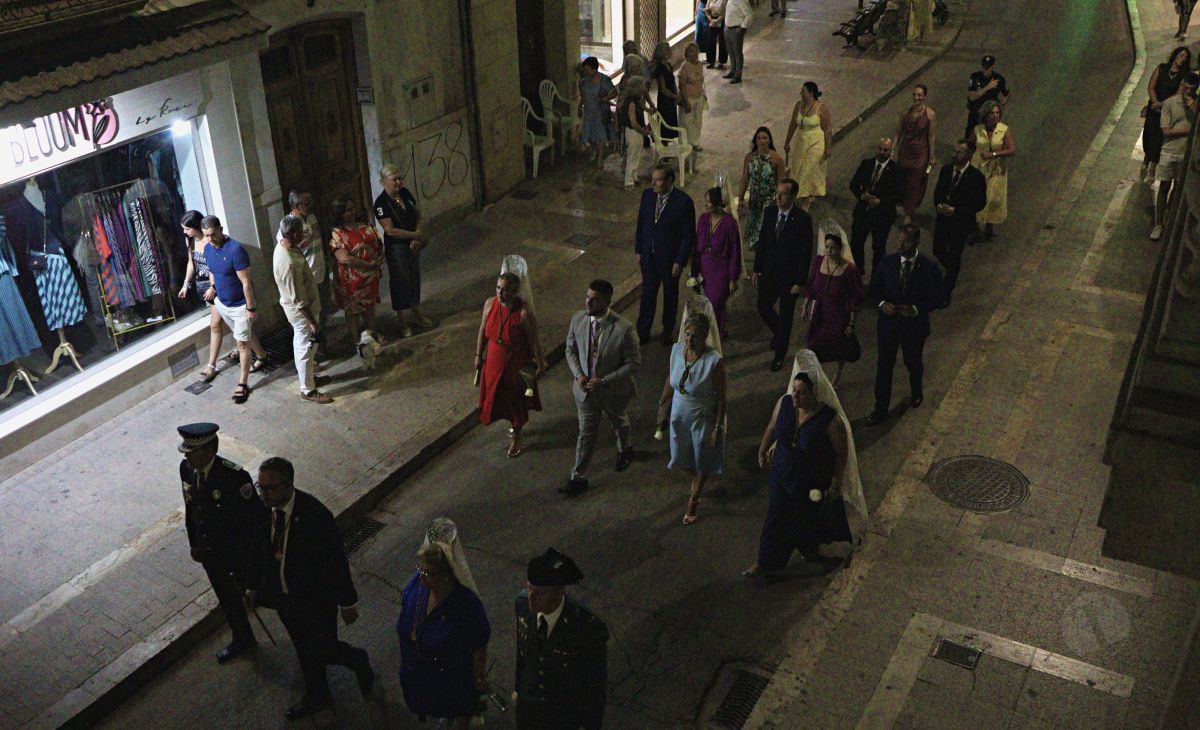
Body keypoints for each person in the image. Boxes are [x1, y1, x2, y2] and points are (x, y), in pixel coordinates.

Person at [246, 456, 375, 720]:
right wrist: (254, 587)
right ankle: (318, 696)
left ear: (288, 484)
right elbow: (258, 550)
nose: (264, 493)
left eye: (270, 488)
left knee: (324, 648)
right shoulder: (263, 510)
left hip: (315, 600)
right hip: (284, 599)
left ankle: (357, 660)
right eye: (261, 487)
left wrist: (347, 602)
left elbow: (336, 562)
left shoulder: (315, 515)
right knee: (304, 649)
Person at [744, 351, 867, 578]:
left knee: (805, 518)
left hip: (809, 481)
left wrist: (836, 481)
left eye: (801, 394)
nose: (795, 398)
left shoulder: (830, 421)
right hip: (782, 475)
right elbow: (772, 427)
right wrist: (762, 451)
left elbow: (841, 454)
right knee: (777, 516)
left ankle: (809, 551)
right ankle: (765, 563)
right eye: (794, 392)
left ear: (814, 393)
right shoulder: (784, 404)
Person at [176, 422, 265, 663]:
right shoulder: (186, 470)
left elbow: (254, 521)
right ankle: (243, 637)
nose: (187, 458)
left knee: (262, 593)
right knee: (227, 599)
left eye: (191, 453)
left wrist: (248, 556)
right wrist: (194, 542)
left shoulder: (234, 477)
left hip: (237, 555)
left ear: (208, 450)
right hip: (211, 554)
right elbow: (191, 508)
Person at [397, 519, 491, 729]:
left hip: (452, 678)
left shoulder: (466, 604)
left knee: (458, 711)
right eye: (420, 569)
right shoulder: (417, 586)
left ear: (446, 576)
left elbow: (479, 643)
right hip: (422, 675)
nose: (421, 577)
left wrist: (478, 678)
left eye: (428, 573)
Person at [514, 548, 609, 729]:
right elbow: (523, 653)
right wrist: (518, 689)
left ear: (559, 592)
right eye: (529, 588)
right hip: (528, 713)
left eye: (539, 593)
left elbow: (595, 688)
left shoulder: (587, 628)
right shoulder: (522, 605)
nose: (531, 599)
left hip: (563, 717)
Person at [563, 279, 641, 495]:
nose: (588, 303)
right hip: (586, 392)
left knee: (619, 420)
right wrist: (578, 375)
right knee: (586, 433)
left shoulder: (623, 329)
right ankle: (578, 477)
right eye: (588, 297)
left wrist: (605, 380)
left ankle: (625, 449)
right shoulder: (578, 320)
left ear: (607, 301)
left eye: (594, 300)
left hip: (613, 390)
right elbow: (570, 350)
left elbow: (634, 363)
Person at [866, 224, 944, 425]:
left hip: (913, 327)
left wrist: (916, 309)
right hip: (889, 325)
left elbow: (938, 297)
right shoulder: (887, 262)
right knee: (884, 366)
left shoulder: (929, 267)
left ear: (917, 242)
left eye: (906, 241)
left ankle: (916, 391)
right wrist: (882, 305)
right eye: (899, 240)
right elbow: (875, 289)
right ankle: (880, 408)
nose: (900, 245)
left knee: (913, 361)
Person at [660, 314, 727, 525]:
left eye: (695, 336)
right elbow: (670, 380)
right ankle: (697, 479)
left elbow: (722, 397)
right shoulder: (677, 352)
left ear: (705, 337)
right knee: (679, 456)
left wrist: (717, 427)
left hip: (702, 416)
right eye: (687, 334)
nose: (690, 340)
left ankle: (694, 500)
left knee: (703, 458)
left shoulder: (713, 362)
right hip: (679, 414)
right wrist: (662, 404)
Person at [476, 270, 546, 457]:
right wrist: (478, 355)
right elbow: (483, 330)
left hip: (514, 362)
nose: (500, 293)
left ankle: (516, 432)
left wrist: (539, 362)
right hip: (493, 359)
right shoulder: (489, 304)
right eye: (498, 288)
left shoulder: (522, 313)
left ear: (514, 292)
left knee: (515, 398)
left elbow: (534, 339)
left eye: (505, 290)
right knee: (494, 395)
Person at [201, 216, 269, 404]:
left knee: (242, 345)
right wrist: (213, 289)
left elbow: (245, 282)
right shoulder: (208, 249)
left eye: (213, 234)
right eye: (206, 236)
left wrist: (251, 307)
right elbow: (213, 272)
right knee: (243, 335)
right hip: (222, 303)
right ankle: (263, 356)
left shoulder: (235, 250)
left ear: (221, 229)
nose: (210, 239)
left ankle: (243, 383)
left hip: (239, 305)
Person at [752, 179, 814, 371]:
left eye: (783, 194)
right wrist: (757, 268)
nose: (778, 197)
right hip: (769, 271)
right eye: (777, 193)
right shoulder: (770, 212)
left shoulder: (803, 219)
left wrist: (800, 281)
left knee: (786, 316)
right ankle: (780, 334)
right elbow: (763, 241)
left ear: (793, 196)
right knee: (763, 305)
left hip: (789, 278)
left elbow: (806, 252)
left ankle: (779, 354)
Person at [635, 164, 697, 344]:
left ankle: (668, 329)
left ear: (669, 180)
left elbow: (688, 235)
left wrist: (680, 261)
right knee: (648, 295)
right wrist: (639, 249)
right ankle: (642, 331)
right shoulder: (647, 196)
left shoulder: (683, 202)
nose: (653, 183)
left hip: (670, 260)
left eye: (658, 179)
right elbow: (642, 224)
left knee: (670, 295)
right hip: (649, 256)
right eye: (653, 179)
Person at [275, 215, 333, 404]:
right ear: (292, 234)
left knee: (306, 347)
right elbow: (299, 300)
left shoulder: (286, 246)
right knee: (305, 348)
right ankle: (308, 390)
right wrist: (313, 323)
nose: (304, 234)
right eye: (301, 232)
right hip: (301, 315)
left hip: (302, 310)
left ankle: (309, 380)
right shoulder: (289, 263)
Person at [375, 164, 432, 337]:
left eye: (400, 178)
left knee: (414, 275)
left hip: (412, 242)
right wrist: (414, 234)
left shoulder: (405, 193)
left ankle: (416, 311)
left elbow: (418, 213)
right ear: (385, 182)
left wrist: (416, 237)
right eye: (394, 180)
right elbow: (390, 230)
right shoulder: (381, 204)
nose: (399, 182)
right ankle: (402, 320)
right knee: (400, 280)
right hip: (396, 247)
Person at [802, 231, 864, 386]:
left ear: (840, 248)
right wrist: (805, 305)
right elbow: (811, 284)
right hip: (820, 313)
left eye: (833, 248)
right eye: (827, 247)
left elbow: (853, 297)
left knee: (838, 347)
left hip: (838, 315)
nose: (829, 251)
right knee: (812, 346)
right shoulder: (819, 262)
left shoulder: (848, 270)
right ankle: (816, 380)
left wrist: (851, 323)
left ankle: (837, 374)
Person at [932, 140, 987, 307]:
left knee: (955, 255)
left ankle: (946, 290)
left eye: (959, 153)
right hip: (943, 220)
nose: (954, 155)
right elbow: (938, 192)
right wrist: (939, 204)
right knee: (938, 250)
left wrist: (956, 211)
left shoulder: (976, 177)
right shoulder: (946, 171)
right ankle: (951, 270)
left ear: (969, 155)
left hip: (960, 223)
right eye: (954, 152)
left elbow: (978, 203)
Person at [178, 211, 231, 383]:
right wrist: (186, 284)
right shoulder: (191, 241)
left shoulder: (211, 241)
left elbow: (219, 265)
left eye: (187, 229)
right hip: (203, 286)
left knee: (216, 324)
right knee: (229, 321)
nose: (185, 232)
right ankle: (253, 351)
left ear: (195, 227)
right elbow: (190, 263)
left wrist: (214, 287)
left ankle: (211, 365)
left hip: (216, 286)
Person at [328, 198, 384, 347]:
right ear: (340, 214)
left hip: (370, 277)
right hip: (351, 281)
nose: (353, 212)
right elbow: (345, 258)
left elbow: (377, 243)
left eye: (353, 209)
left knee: (369, 307)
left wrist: (378, 260)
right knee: (353, 312)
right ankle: (357, 342)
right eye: (348, 210)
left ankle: (371, 336)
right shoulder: (337, 234)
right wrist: (368, 265)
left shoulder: (363, 226)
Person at [848, 137, 903, 277]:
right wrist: (861, 195)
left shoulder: (896, 171)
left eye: (886, 150)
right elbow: (854, 183)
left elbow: (898, 195)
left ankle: (876, 278)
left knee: (878, 248)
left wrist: (880, 201)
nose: (882, 152)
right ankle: (859, 270)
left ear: (891, 152)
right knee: (855, 243)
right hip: (863, 212)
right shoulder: (866, 164)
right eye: (880, 149)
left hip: (882, 216)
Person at [1154, 72, 1199, 241]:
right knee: (1164, 187)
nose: (1187, 92)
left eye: (1191, 90)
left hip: (1185, 153)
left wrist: (1193, 108)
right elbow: (1166, 131)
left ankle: (1168, 217)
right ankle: (1158, 223)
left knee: (1178, 188)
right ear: (1182, 84)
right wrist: (1188, 131)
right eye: (1185, 87)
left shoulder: (1195, 105)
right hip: (1169, 151)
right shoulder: (1170, 103)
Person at [692, 187, 742, 337]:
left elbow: (734, 252)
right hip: (705, 268)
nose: (706, 205)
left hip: (721, 271)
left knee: (715, 302)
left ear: (717, 203)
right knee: (714, 303)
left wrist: (733, 278)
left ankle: (716, 332)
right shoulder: (703, 219)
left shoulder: (729, 224)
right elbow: (696, 245)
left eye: (709, 202)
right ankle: (721, 327)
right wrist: (695, 271)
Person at [277, 191, 331, 330]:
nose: (311, 205)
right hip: (307, 279)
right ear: (296, 206)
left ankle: (323, 346)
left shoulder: (312, 217)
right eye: (307, 203)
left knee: (323, 312)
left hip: (320, 272)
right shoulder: (288, 227)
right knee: (310, 319)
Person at [1142, 47, 1192, 183]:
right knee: (1148, 134)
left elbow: (1177, 94)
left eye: (1185, 57)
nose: (1182, 59)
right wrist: (1155, 102)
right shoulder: (1162, 68)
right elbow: (1151, 86)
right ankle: (1146, 159)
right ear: (1175, 55)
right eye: (1181, 55)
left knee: (1158, 137)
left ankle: (1152, 167)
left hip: (1166, 109)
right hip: (1154, 107)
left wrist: (1161, 105)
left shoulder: (1183, 76)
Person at [971, 100, 1016, 241]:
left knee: (993, 198)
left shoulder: (1004, 130)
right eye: (992, 113)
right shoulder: (978, 129)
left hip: (996, 169)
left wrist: (994, 154)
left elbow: (1012, 150)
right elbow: (968, 146)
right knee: (978, 197)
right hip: (978, 168)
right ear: (986, 115)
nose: (995, 116)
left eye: (997, 113)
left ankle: (989, 228)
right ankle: (976, 228)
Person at [785, 82, 832, 209]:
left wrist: (828, 148)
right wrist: (787, 141)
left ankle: (805, 201)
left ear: (811, 93)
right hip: (801, 141)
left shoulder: (821, 108)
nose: (801, 93)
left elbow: (827, 129)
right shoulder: (798, 105)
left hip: (816, 143)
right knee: (798, 169)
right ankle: (804, 193)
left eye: (803, 91)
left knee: (808, 170)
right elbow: (792, 125)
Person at [738, 127, 786, 252]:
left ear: (769, 140)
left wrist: (780, 201)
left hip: (769, 202)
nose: (761, 141)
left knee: (765, 232)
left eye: (764, 138)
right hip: (755, 201)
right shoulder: (749, 158)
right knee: (755, 235)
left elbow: (781, 182)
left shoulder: (777, 159)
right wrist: (741, 198)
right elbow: (745, 179)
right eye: (759, 138)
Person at [894, 85, 937, 225]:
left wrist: (932, 157)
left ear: (924, 97)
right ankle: (900, 203)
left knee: (915, 184)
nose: (916, 98)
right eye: (914, 95)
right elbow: (898, 132)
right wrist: (892, 148)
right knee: (902, 180)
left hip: (920, 154)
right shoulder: (905, 113)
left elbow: (931, 137)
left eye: (919, 95)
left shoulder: (930, 114)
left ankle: (908, 213)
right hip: (905, 152)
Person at [579, 57, 617, 168]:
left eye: (587, 70)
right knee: (589, 136)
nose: (585, 72)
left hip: (600, 112)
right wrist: (579, 106)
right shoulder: (584, 81)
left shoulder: (604, 80)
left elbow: (614, 92)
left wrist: (605, 98)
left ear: (595, 69)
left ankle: (600, 157)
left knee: (600, 136)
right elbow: (583, 96)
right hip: (588, 112)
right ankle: (595, 151)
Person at [619, 76, 653, 190]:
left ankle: (634, 177)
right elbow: (633, 122)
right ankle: (628, 182)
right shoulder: (631, 102)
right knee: (632, 156)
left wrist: (648, 110)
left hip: (636, 131)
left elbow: (641, 106)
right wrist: (643, 131)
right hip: (633, 132)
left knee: (637, 155)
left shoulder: (635, 99)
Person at [964, 55, 1010, 139]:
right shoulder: (975, 77)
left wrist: (1000, 107)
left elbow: (1006, 93)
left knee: (988, 141)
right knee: (969, 140)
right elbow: (971, 97)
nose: (985, 69)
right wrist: (987, 87)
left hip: (989, 117)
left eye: (988, 67)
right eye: (984, 66)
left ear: (992, 66)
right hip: (976, 113)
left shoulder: (999, 79)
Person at [678, 42, 707, 151]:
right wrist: (685, 101)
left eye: (696, 51)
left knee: (697, 120)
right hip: (688, 98)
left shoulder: (699, 64)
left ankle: (695, 142)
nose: (694, 54)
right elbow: (681, 86)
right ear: (687, 53)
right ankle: (686, 144)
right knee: (686, 122)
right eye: (691, 51)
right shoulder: (684, 66)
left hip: (699, 96)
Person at [650, 41, 681, 140]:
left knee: (670, 122)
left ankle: (667, 146)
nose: (668, 51)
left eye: (668, 49)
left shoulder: (668, 65)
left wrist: (677, 93)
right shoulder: (659, 67)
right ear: (660, 53)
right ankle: (664, 147)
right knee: (665, 125)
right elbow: (663, 89)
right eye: (666, 50)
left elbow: (672, 82)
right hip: (665, 100)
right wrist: (675, 96)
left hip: (671, 97)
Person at [723, 0, 753, 84]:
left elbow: (749, 15)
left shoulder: (740, 1)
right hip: (727, 28)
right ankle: (733, 70)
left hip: (736, 29)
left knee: (737, 53)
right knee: (730, 51)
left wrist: (742, 27)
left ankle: (738, 75)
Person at [704, 0, 729, 69]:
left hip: (721, 20)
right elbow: (707, 9)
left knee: (722, 41)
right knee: (710, 41)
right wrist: (711, 20)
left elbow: (725, 12)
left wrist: (717, 21)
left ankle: (722, 62)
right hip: (712, 20)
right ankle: (711, 61)